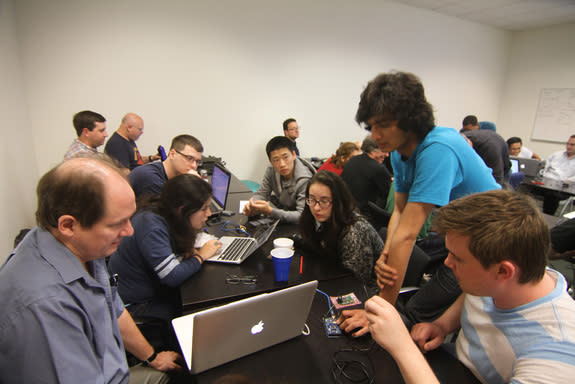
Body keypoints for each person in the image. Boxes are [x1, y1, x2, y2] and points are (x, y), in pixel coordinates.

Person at [339, 71, 500, 336]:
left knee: (413, 314)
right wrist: (386, 254)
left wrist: (376, 312)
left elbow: (409, 232)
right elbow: (399, 211)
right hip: (459, 236)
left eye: (383, 124)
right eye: (371, 127)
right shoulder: (401, 153)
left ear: (410, 118)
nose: (376, 135)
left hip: (490, 243)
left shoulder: (438, 148)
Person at [0, 157, 184, 383]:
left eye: (130, 219)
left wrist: (153, 357)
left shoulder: (85, 247)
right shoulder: (44, 306)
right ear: (68, 225)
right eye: (117, 223)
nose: (129, 231)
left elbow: (113, 309)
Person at [365, 190, 575, 384]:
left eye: (457, 258)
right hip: (455, 365)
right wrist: (442, 325)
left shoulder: (557, 353)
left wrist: (402, 347)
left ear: (503, 271)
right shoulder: (505, 279)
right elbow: (472, 294)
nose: (447, 263)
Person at [109, 174, 221, 322]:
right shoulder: (151, 225)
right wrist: (200, 256)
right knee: (196, 314)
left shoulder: (163, 212)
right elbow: (172, 276)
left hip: (144, 289)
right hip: (134, 304)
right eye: (204, 209)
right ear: (183, 210)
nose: (209, 214)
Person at [299, 171, 383, 294]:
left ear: (338, 201)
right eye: (312, 200)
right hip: (337, 277)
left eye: (324, 201)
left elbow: (357, 280)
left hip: (369, 292)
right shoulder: (326, 219)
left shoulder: (354, 231)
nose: (316, 207)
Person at [242, 136, 315, 224]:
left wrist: (270, 211)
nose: (282, 164)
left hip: (301, 224)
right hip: (283, 213)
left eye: (285, 157)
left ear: (294, 154)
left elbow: (302, 216)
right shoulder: (271, 169)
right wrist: (252, 205)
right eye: (276, 160)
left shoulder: (304, 180)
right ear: (271, 161)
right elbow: (262, 194)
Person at [129, 134, 204, 198]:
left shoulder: (167, 175)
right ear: (172, 154)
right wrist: (192, 186)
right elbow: (172, 212)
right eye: (189, 158)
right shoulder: (151, 179)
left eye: (197, 161)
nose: (194, 166)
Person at [341, 137, 392, 219]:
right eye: (384, 151)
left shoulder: (352, 160)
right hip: (366, 217)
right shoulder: (378, 168)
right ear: (373, 151)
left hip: (347, 211)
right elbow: (388, 192)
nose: (387, 155)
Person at [541, 134, 575, 214]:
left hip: (563, 187)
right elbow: (545, 166)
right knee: (525, 186)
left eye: (572, 145)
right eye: (567, 144)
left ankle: (546, 218)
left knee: (552, 195)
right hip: (546, 182)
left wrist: (565, 181)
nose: (568, 146)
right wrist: (543, 176)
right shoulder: (556, 155)